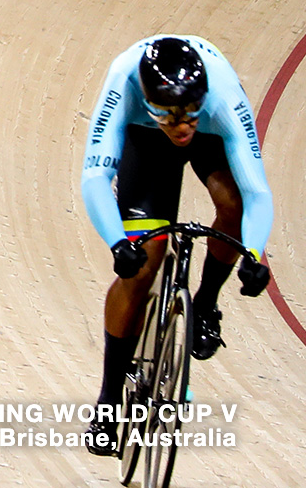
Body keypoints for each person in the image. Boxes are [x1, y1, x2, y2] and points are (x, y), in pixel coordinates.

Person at [79, 35, 273, 456]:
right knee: (143, 267)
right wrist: (118, 243)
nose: (182, 126)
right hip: (145, 141)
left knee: (233, 204)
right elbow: (94, 177)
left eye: (190, 114)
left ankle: (205, 304)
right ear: (149, 101)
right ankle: (110, 401)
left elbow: (257, 191)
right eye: (170, 115)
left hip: (214, 136)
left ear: (202, 98)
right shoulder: (122, 82)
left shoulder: (220, 97)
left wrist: (254, 254)